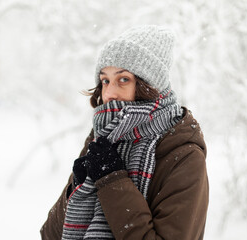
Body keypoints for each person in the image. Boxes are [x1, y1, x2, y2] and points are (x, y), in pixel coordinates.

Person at [40, 25, 209, 240]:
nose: (109, 93)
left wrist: (112, 181)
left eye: (123, 79)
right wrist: (77, 188)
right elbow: (50, 235)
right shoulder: (104, 136)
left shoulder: (183, 154)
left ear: (149, 85)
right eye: (105, 80)